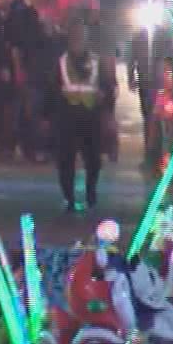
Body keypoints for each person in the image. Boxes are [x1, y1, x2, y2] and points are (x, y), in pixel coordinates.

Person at [53, 18, 115, 213]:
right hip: (67, 118)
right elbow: (52, 89)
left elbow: (107, 87)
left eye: (83, 36)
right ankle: (69, 197)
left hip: (91, 118)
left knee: (93, 160)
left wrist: (106, 106)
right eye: (76, 36)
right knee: (66, 161)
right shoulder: (61, 62)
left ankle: (90, 194)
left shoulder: (96, 62)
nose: (79, 40)